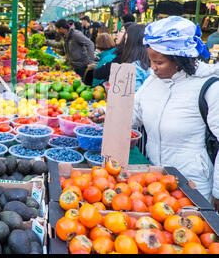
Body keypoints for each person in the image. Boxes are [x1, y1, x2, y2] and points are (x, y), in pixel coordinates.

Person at [89, 16, 219, 206]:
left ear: (181, 59)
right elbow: (136, 114)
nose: (153, 68)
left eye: (159, 62)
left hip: (192, 185)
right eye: (151, 60)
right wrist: (107, 114)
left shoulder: (209, 88)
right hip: (155, 179)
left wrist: (217, 193)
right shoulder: (153, 82)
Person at [118, 23, 151, 91]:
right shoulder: (151, 66)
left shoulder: (131, 68)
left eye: (126, 39)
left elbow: (131, 98)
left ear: (130, 42)